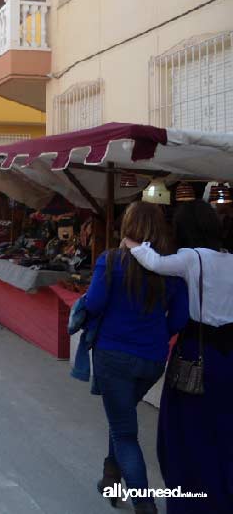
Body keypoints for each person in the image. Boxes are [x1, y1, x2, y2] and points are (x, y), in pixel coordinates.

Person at [124, 200, 233, 514]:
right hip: (229, 357)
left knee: (185, 435)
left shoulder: (191, 258)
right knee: (223, 431)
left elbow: (153, 262)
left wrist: (131, 242)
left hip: (197, 353)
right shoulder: (229, 260)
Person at [83, 202, 189, 514]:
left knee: (124, 432)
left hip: (113, 355)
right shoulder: (171, 269)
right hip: (153, 358)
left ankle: (145, 504)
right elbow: (180, 320)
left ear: (127, 226)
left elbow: (95, 303)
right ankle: (110, 476)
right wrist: (155, 333)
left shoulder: (110, 260)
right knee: (122, 418)